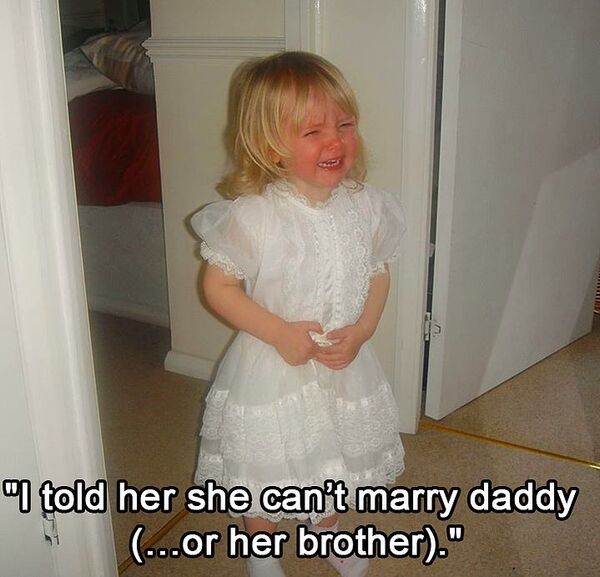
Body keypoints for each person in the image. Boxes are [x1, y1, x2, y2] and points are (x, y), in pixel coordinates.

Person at [191, 51, 406, 577]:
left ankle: (325, 528)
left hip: (342, 360)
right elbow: (218, 286)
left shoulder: (368, 206)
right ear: (271, 147)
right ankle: (261, 543)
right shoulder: (256, 216)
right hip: (274, 364)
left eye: (345, 125)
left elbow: (378, 272)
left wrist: (363, 330)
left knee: (333, 454)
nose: (336, 141)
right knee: (267, 464)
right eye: (313, 131)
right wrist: (279, 332)